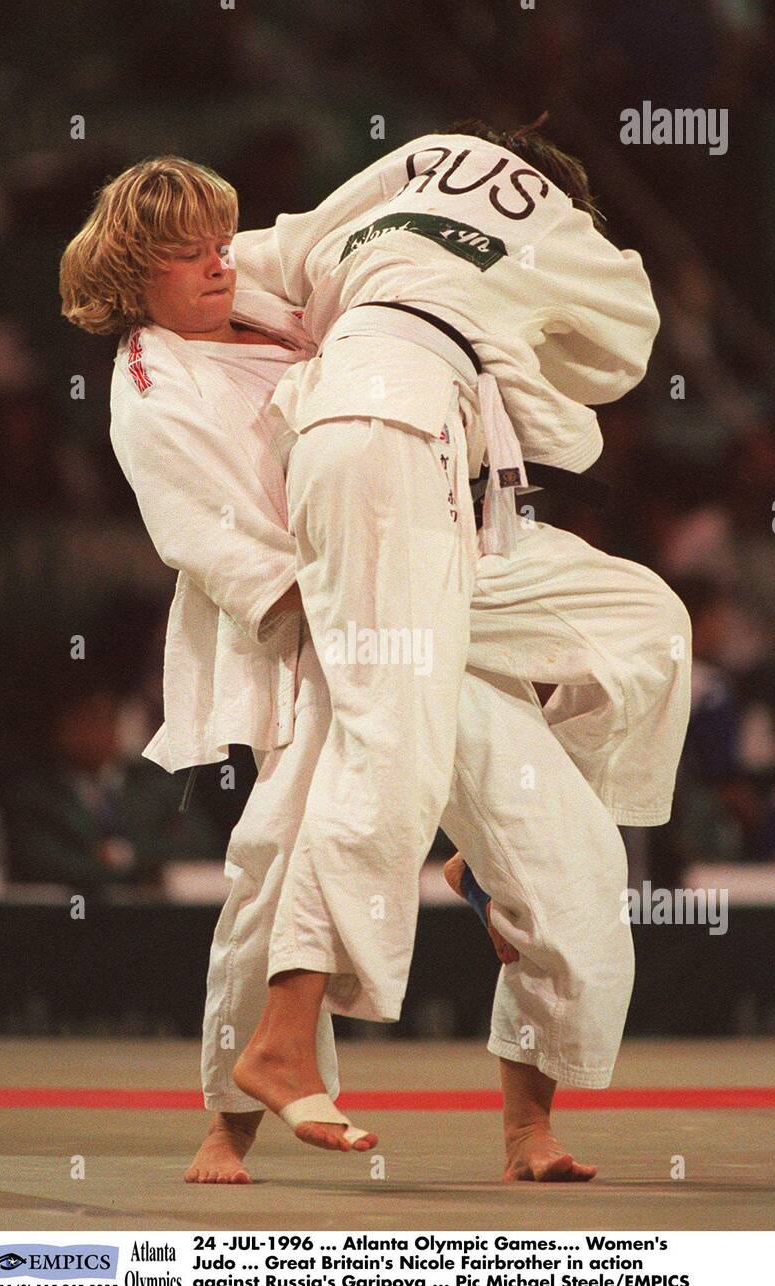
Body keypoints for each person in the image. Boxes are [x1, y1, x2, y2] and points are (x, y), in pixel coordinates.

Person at [59, 140, 690, 1179]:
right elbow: (204, 535)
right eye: (185, 255)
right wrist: (325, 620)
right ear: (130, 282)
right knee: (285, 848)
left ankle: (528, 1125)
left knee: (583, 824)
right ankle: (230, 1120)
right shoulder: (150, 376)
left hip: (455, 559)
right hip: (328, 614)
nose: (219, 262)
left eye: (220, 241)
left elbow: (359, 240)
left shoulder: (287, 296)